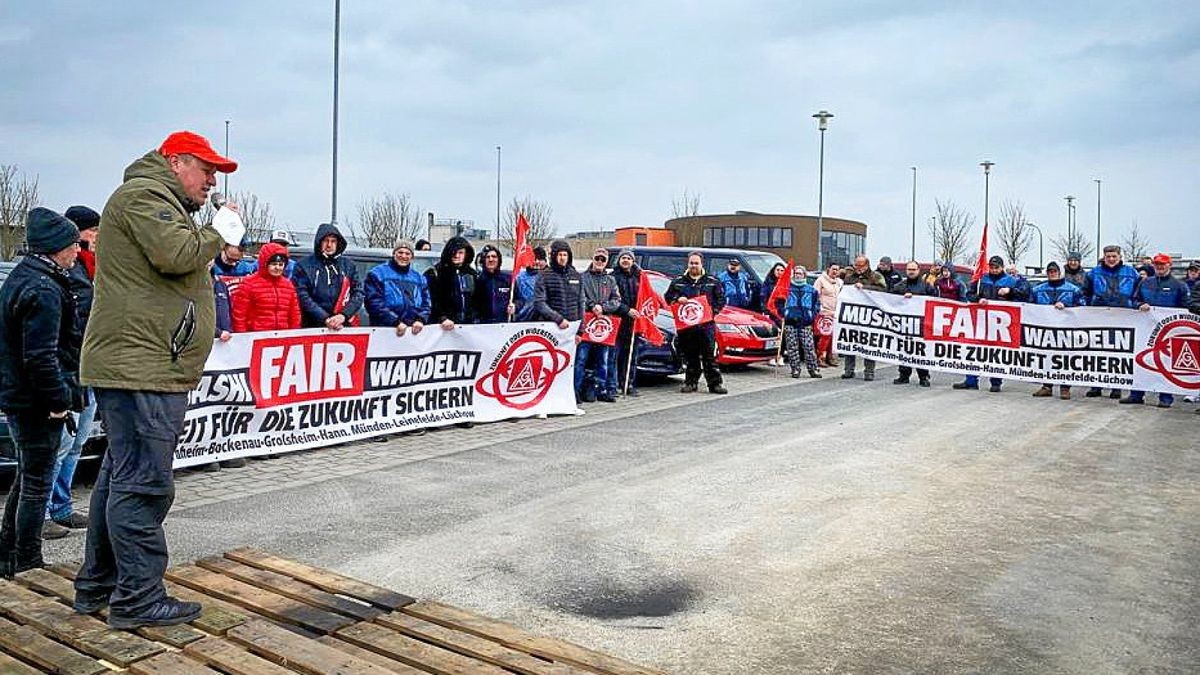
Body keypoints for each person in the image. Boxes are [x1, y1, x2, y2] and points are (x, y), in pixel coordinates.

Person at [75, 130, 236, 629]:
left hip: (140, 363)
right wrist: (219, 233)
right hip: (143, 366)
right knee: (144, 484)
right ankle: (138, 598)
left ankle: (98, 586)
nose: (212, 181)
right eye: (206, 169)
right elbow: (177, 254)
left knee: (118, 478)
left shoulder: (150, 198)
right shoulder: (145, 195)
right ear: (175, 162)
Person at [0, 208, 82, 577]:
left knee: (27, 476)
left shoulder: (25, 277)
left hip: (21, 396)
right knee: (37, 483)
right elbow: (41, 356)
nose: (77, 251)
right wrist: (59, 401)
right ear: (55, 247)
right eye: (72, 245)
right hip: (35, 400)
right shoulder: (44, 288)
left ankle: (8, 552)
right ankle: (28, 559)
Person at [43, 206, 101, 539]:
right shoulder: (64, 274)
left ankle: (62, 506)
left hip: (88, 367)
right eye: (92, 231)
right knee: (60, 444)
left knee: (77, 443)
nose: (95, 238)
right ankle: (43, 512)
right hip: (70, 368)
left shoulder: (92, 269)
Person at [1122, 254, 1190, 408]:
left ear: (1169, 265)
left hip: (1168, 331)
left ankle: (1165, 397)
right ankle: (1136, 394)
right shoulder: (1145, 283)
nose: (1160, 267)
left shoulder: (1179, 285)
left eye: (1163, 264)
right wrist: (1139, 305)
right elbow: (1133, 300)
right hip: (1145, 329)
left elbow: (1186, 308)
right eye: (1157, 264)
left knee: (1165, 362)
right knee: (1140, 359)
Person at [954, 255, 1021, 392]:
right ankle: (971, 380)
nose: (994, 270)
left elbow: (1022, 296)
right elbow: (969, 295)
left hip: (1000, 323)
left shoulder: (1010, 281)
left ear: (1002, 267)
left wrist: (1010, 292)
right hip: (980, 321)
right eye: (992, 267)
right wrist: (978, 299)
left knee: (996, 352)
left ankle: (996, 382)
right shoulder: (981, 279)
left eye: (997, 267)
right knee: (974, 350)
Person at [664, 252, 727, 395]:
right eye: (691, 263)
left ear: (701, 264)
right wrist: (677, 299)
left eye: (696, 263)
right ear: (688, 264)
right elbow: (668, 298)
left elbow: (721, 299)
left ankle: (715, 384)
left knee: (709, 356)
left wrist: (712, 312)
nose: (693, 266)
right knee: (690, 356)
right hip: (687, 326)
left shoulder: (712, 281)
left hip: (706, 326)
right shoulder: (678, 281)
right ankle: (691, 382)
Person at [1083, 245, 1139, 399]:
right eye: (1108, 256)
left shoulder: (1131, 273)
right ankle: (1096, 385)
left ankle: (1116, 386)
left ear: (1120, 256)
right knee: (1097, 351)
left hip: (1123, 315)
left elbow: (1138, 294)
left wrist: (1135, 305)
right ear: (1104, 257)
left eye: (1114, 256)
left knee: (1118, 352)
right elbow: (1085, 293)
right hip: (1098, 316)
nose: (1111, 259)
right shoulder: (1093, 273)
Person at [1029, 262, 1085, 399]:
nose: (1052, 274)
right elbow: (1029, 307)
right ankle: (1047, 386)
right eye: (1050, 271)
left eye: (1055, 271)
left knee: (1065, 359)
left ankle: (1065, 387)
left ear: (1060, 272)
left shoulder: (1074, 290)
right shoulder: (1038, 289)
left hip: (1066, 330)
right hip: (1045, 330)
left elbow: (1083, 306)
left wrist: (1067, 306)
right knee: (1045, 357)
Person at [293, 223, 363, 330]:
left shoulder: (349, 266)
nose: (329, 245)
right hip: (313, 326)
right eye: (326, 241)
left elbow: (358, 293)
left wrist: (343, 315)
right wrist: (324, 318)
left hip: (343, 325)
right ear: (319, 242)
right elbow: (302, 295)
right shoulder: (303, 266)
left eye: (333, 241)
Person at [576, 248, 622, 403]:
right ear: (593, 259)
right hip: (586, 324)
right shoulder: (583, 277)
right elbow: (580, 296)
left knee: (603, 359)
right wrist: (592, 306)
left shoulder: (610, 280)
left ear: (606, 261)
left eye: (603, 259)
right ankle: (576, 390)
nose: (600, 262)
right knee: (581, 359)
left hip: (604, 326)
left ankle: (601, 389)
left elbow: (616, 300)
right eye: (597, 258)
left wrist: (604, 308)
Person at [231, 243, 301, 333]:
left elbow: (294, 314)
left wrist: (293, 334)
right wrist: (243, 339)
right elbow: (239, 315)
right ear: (265, 263)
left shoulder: (288, 285)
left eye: (281, 264)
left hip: (282, 336)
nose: (277, 268)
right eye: (273, 264)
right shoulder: (248, 284)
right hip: (255, 337)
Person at [364, 240, 430, 334]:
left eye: (407, 253)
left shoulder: (419, 279)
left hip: (412, 333)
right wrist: (395, 322)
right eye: (400, 252)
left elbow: (426, 303)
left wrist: (421, 319)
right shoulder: (377, 274)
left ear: (412, 257)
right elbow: (374, 303)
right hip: (384, 331)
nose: (403, 256)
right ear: (394, 253)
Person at [891, 261, 938, 387]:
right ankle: (904, 375)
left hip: (921, 325)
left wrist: (916, 297)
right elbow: (890, 300)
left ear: (918, 270)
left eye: (913, 269)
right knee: (904, 349)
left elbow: (935, 300)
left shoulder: (926, 286)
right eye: (909, 269)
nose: (911, 271)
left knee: (920, 351)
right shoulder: (900, 286)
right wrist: (902, 297)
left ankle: (923, 376)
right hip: (904, 325)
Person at [841, 255, 887, 381]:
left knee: (869, 343)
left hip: (870, 316)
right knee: (850, 342)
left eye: (860, 266)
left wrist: (865, 288)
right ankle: (849, 370)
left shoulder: (875, 276)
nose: (858, 268)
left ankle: (869, 371)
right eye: (856, 265)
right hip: (853, 315)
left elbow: (884, 290)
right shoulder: (850, 278)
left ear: (866, 265)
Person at [607, 249, 645, 397]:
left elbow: (645, 296)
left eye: (628, 258)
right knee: (615, 355)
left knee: (631, 355)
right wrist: (626, 310)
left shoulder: (639, 277)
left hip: (634, 323)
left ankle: (628, 383)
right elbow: (611, 299)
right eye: (623, 258)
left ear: (633, 261)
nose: (625, 260)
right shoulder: (613, 277)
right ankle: (614, 384)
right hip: (617, 321)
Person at [425, 236, 477, 329]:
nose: (457, 256)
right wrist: (442, 317)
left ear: (466, 254)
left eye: (460, 252)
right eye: (454, 252)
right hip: (441, 327)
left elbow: (477, 301)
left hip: (467, 327)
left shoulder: (472, 275)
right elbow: (429, 300)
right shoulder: (435, 273)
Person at [779, 265, 821, 379]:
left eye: (800, 273)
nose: (798, 275)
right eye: (796, 273)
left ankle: (813, 369)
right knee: (792, 347)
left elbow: (816, 305)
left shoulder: (811, 290)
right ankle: (795, 369)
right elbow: (778, 302)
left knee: (809, 347)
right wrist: (784, 313)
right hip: (790, 321)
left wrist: (811, 315)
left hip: (805, 322)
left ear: (804, 275)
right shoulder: (786, 288)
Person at [472, 245, 514, 324]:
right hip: (483, 326)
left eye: (494, 257)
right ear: (483, 260)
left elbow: (519, 299)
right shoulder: (477, 280)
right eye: (488, 257)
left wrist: (515, 306)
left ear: (499, 259)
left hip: (505, 324)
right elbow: (472, 304)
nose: (491, 259)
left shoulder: (508, 278)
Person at [812, 262, 843, 367]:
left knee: (833, 337)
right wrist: (819, 309)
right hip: (824, 312)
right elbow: (815, 295)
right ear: (828, 269)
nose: (835, 271)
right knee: (825, 336)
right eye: (833, 269)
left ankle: (830, 357)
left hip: (836, 313)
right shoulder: (820, 280)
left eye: (837, 269)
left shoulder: (839, 282)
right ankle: (820, 357)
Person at [760, 262, 787, 366]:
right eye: (777, 270)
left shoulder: (786, 284)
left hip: (782, 312)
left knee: (784, 333)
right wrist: (765, 311)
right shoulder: (767, 283)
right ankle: (771, 356)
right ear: (773, 271)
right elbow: (763, 298)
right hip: (771, 311)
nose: (779, 272)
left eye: (781, 270)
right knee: (773, 334)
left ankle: (780, 355)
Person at [513, 246, 547, 321]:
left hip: (545, 321)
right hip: (524, 320)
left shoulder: (551, 277)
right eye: (534, 259)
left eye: (540, 259)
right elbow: (516, 298)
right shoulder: (520, 278)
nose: (537, 262)